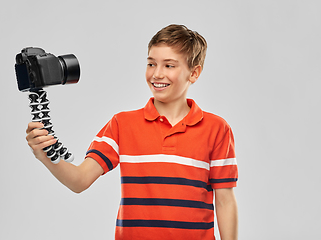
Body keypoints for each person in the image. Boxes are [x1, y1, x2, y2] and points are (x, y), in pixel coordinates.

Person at [26, 24, 238, 240]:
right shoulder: (122, 124)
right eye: (151, 63)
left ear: (194, 73)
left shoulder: (216, 129)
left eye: (169, 65)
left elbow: (225, 200)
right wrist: (44, 154)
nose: (157, 74)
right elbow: (80, 180)